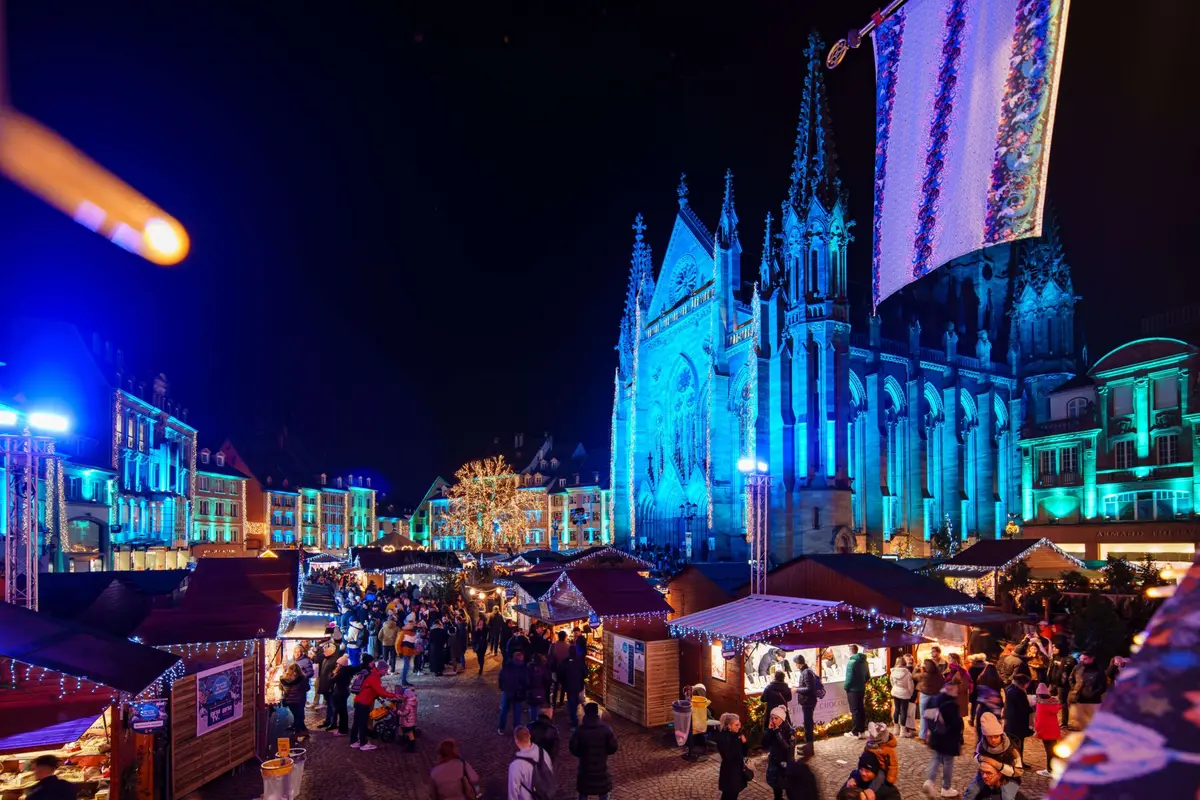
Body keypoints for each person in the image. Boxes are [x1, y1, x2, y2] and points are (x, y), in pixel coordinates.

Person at [964, 713, 1023, 800]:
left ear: (1001, 735)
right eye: (989, 737)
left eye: (996, 736)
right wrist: (982, 759)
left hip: (1008, 778)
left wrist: (996, 765)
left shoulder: (1012, 749)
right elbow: (976, 757)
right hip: (986, 774)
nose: (993, 740)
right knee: (971, 791)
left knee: (1007, 797)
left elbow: (1019, 771)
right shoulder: (981, 745)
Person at [923, 677, 964, 797]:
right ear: (950, 688)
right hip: (948, 738)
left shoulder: (935, 699)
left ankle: (929, 781)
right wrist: (959, 737)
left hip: (936, 736)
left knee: (936, 758)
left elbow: (927, 715)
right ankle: (946, 787)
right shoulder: (951, 704)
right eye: (956, 689)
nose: (957, 691)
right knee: (948, 761)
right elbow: (955, 724)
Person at [569, 703, 618, 800]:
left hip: (584, 768)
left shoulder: (579, 730)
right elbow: (613, 748)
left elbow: (573, 748)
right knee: (603, 792)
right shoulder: (606, 730)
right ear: (597, 713)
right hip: (602, 768)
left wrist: (582, 754)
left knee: (583, 792)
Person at [351, 658, 396, 751]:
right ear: (380, 669)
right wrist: (394, 695)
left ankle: (354, 741)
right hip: (364, 702)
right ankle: (363, 743)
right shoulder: (374, 677)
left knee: (356, 722)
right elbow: (382, 692)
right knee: (363, 723)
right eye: (385, 670)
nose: (386, 672)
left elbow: (373, 689)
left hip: (358, 700)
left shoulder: (372, 674)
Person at [508, 726, 553, 800]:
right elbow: (549, 772)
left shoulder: (515, 765)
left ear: (516, 741)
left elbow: (513, 791)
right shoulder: (543, 753)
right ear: (529, 736)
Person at [762, 705, 795, 800]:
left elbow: (788, 748)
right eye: (772, 718)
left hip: (786, 763)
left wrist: (777, 733)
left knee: (789, 788)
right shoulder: (772, 729)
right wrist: (769, 731)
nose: (773, 720)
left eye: (776, 718)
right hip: (774, 763)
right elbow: (764, 744)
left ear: (782, 719)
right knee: (776, 789)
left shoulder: (790, 731)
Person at [714, 713, 748, 800]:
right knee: (728, 795)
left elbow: (744, 753)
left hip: (737, 771)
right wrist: (737, 741)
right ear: (729, 726)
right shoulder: (723, 738)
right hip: (730, 772)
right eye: (737, 725)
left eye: (739, 724)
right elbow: (729, 756)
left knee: (733, 794)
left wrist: (744, 743)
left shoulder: (736, 736)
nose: (739, 726)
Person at [1068, 652, 1106, 728]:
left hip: (1093, 702)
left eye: (1085, 659)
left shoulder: (1098, 671)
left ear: (1092, 659)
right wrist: (1075, 688)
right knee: (1079, 724)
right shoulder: (1077, 668)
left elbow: (1103, 686)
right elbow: (1071, 679)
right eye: (1081, 659)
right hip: (1079, 700)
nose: (1082, 661)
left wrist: (1093, 693)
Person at [1032, 683, 1061, 778]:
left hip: (1045, 730)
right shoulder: (1053, 702)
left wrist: (1037, 730)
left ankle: (1050, 769)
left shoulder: (1041, 704)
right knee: (1053, 750)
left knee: (1049, 751)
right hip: (1054, 730)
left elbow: (1039, 719)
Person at [498, 650, 530, 734]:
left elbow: (501, 677)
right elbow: (526, 681)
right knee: (517, 711)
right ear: (521, 658)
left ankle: (501, 727)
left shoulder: (507, 666)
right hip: (518, 692)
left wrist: (502, 688)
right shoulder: (524, 668)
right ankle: (516, 728)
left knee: (504, 709)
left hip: (507, 691)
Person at [1047, 641, 1077, 729]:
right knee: (1049, 701)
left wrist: (1071, 683)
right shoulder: (1054, 657)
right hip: (1053, 683)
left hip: (1063, 684)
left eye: (1055, 647)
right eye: (1053, 647)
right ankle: (1050, 719)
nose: (1053, 649)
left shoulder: (1070, 660)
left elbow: (1074, 672)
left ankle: (1064, 722)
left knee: (1062, 703)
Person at [916, 658, 946, 743]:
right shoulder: (939, 675)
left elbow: (913, 675)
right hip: (936, 696)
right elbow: (943, 684)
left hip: (925, 696)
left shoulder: (924, 675)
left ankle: (923, 736)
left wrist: (916, 668)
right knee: (933, 717)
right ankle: (934, 736)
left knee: (923, 716)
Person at [1002, 674, 1032, 758]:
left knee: (1012, 742)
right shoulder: (1019, 693)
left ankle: (1015, 760)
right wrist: (1032, 708)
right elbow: (1024, 708)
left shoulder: (1010, 689)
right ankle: (1018, 761)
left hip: (1011, 720)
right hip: (1018, 722)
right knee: (1018, 743)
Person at [843, 644, 869, 739]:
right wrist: (861, 683)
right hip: (861, 689)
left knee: (854, 711)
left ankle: (855, 732)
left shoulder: (851, 663)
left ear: (850, 651)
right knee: (861, 709)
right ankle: (862, 731)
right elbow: (867, 676)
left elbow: (849, 679)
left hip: (853, 690)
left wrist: (846, 687)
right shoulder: (864, 661)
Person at [793, 654, 820, 745]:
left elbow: (809, 689)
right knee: (808, 721)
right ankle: (809, 742)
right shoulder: (806, 671)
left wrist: (796, 690)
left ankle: (809, 743)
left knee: (808, 722)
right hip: (808, 701)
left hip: (808, 701)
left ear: (798, 664)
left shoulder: (806, 672)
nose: (795, 665)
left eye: (795, 663)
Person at [863, 721, 899, 789]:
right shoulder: (869, 745)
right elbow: (865, 755)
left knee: (879, 776)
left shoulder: (888, 750)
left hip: (880, 769)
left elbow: (893, 765)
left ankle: (870, 792)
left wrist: (890, 780)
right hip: (869, 766)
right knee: (857, 773)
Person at [279, 663, 310, 740]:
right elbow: (307, 688)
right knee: (299, 716)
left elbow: (281, 688)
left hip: (290, 701)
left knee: (297, 715)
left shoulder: (284, 679)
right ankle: (298, 732)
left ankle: (302, 730)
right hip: (300, 700)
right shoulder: (303, 679)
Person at [559, 646, 587, 730]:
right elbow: (586, 673)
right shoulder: (580, 662)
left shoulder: (565, 662)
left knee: (572, 702)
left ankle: (574, 721)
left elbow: (560, 673)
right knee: (576, 700)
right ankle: (580, 719)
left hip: (569, 686)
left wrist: (563, 682)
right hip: (578, 685)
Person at [889, 656, 914, 738]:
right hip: (905, 693)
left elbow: (892, 682)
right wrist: (910, 693)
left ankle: (896, 729)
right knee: (904, 711)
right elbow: (910, 686)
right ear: (905, 663)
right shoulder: (908, 673)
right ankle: (902, 732)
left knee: (896, 709)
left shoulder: (893, 672)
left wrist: (896, 688)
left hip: (896, 691)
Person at [329, 654, 354, 736]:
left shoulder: (342, 672)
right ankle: (343, 729)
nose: (336, 665)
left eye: (338, 664)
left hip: (340, 693)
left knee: (342, 712)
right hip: (343, 693)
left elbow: (332, 679)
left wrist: (333, 673)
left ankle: (342, 730)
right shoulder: (346, 671)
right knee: (343, 712)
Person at [317, 642, 340, 730]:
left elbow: (334, 675)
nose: (324, 651)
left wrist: (331, 684)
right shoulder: (326, 659)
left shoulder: (335, 660)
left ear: (331, 651)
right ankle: (327, 721)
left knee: (333, 706)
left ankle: (333, 723)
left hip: (330, 688)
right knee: (329, 705)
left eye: (325, 650)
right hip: (325, 687)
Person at [687, 683, 712, 760]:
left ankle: (694, 749)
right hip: (700, 725)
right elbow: (708, 716)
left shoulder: (692, 703)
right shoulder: (703, 703)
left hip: (695, 726)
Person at [946, 652, 974, 721]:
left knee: (957, 718)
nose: (948, 660)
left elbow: (965, 685)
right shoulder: (950, 669)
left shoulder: (961, 671)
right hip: (951, 697)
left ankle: (959, 731)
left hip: (959, 697)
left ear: (955, 660)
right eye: (948, 658)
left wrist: (952, 689)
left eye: (950, 658)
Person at [526, 653, 552, 723]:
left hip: (530, 691)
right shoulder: (543, 668)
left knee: (532, 708)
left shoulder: (529, 668)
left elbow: (525, 680)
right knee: (537, 707)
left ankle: (532, 722)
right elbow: (548, 679)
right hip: (540, 691)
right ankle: (536, 723)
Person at [397, 683, 419, 752]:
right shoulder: (412, 700)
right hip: (411, 720)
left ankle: (411, 747)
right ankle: (402, 740)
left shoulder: (408, 704)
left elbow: (404, 713)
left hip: (408, 721)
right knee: (401, 728)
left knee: (410, 733)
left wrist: (397, 711)